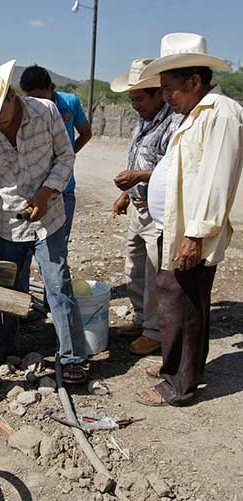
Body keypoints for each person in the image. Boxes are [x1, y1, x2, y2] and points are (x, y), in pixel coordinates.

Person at [0, 59, 88, 383]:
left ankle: (72, 357)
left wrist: (45, 194)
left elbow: (65, 156)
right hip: (6, 223)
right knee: (7, 285)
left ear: (11, 96)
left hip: (50, 215)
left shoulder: (47, 112)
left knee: (57, 283)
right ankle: (6, 347)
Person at [134, 33, 243, 406]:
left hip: (191, 233)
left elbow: (216, 179)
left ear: (195, 81)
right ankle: (181, 366)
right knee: (181, 300)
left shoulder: (221, 113)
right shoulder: (194, 113)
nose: (165, 97)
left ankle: (177, 384)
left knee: (183, 303)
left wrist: (195, 235)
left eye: (170, 89)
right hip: (177, 228)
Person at [109, 58, 181, 356]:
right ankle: (141, 318)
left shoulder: (173, 123)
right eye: (132, 99)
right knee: (134, 267)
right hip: (138, 207)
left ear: (156, 94)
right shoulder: (143, 121)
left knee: (154, 273)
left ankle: (155, 330)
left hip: (158, 211)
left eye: (139, 98)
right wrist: (126, 194)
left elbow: (175, 167)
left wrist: (137, 177)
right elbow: (137, 157)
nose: (135, 104)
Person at [20, 65, 92, 242]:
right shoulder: (22, 107)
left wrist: (66, 156)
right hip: (32, 190)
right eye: (31, 100)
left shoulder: (70, 103)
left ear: (51, 88)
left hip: (63, 189)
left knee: (59, 243)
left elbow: (86, 133)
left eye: (40, 99)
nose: (37, 106)